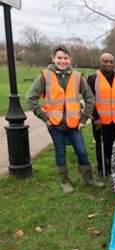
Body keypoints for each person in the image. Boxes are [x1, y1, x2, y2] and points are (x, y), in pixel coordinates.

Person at [25, 45, 104, 193]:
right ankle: (64, 181)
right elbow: (30, 98)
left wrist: (83, 119)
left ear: (70, 59)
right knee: (60, 152)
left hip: (74, 125)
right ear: (53, 59)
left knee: (82, 151)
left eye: (65, 58)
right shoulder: (45, 76)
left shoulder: (77, 76)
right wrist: (44, 118)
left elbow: (89, 98)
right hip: (55, 125)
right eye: (59, 58)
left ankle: (89, 179)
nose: (62, 61)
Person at [87, 53, 115, 178]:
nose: (108, 64)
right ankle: (102, 168)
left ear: (114, 63)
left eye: (110, 61)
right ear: (100, 62)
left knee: (114, 145)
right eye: (105, 61)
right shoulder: (93, 78)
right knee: (101, 145)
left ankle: (112, 166)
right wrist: (95, 117)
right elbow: (88, 100)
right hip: (100, 120)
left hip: (114, 120)